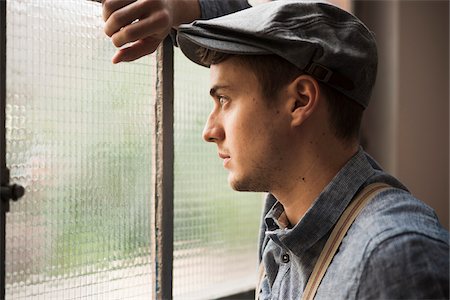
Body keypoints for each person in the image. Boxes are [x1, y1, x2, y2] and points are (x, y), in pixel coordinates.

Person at [101, 0, 450, 299]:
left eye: (225, 99)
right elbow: (258, 25)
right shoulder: (285, 220)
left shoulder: (393, 258)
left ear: (300, 101)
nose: (209, 131)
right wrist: (177, 7)